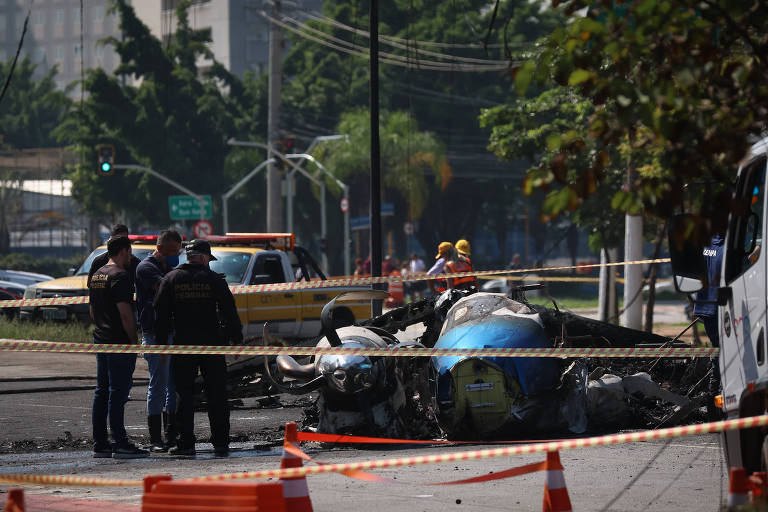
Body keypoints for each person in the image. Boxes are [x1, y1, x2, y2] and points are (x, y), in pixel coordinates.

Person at [154, 239, 243, 457]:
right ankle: (221, 442)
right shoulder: (213, 279)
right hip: (212, 345)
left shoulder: (171, 279)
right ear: (203, 258)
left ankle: (185, 443)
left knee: (183, 393)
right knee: (217, 393)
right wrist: (237, 339)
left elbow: (160, 314)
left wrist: (161, 345)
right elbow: (229, 311)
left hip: (183, 345)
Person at [89, 235, 148, 459]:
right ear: (123, 251)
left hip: (101, 338)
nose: (131, 257)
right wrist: (133, 341)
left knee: (102, 390)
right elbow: (125, 313)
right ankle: (120, 442)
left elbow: (93, 311)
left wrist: (102, 328)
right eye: (130, 252)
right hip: (118, 342)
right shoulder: (121, 276)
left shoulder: (97, 274)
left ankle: (100, 443)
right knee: (118, 392)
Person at [135, 229, 183, 453]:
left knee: (173, 386)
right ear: (160, 248)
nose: (176, 255)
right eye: (172, 251)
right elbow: (167, 289)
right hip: (154, 336)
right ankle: (155, 438)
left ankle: (171, 434)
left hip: (173, 332)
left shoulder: (170, 268)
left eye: (179, 252)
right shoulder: (146, 268)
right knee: (159, 384)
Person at [693, 233, 724, 419]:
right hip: (722, 308)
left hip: (706, 307)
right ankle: (718, 408)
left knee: (718, 357)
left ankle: (713, 408)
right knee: (724, 359)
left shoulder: (705, 244)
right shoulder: (731, 246)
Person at [87, 224, 141, 289]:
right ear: (111, 240)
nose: (122, 243)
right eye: (118, 239)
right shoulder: (99, 261)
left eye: (124, 240)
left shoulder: (135, 263)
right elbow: (90, 284)